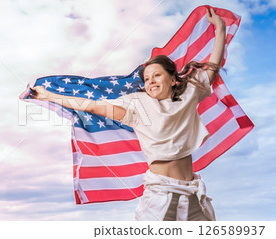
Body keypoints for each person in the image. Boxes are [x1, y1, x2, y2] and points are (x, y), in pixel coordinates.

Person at [29, 8, 225, 221]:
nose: (150, 82)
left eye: (156, 75)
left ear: (172, 79)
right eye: (147, 79)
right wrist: (48, 95)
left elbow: (212, 68)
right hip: (161, 194)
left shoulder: (189, 95)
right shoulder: (137, 105)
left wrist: (220, 29)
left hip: (193, 191)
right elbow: (92, 106)